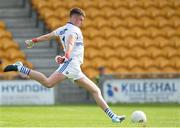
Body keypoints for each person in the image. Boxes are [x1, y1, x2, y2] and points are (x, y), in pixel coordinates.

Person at [4, 7, 125, 123]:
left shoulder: (62, 29)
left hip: (75, 68)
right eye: (81, 20)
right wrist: (66, 56)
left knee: (95, 91)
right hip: (71, 64)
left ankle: (113, 117)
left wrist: (33, 41)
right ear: (75, 18)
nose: (81, 23)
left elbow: (48, 36)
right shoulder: (75, 30)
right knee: (48, 83)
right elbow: (71, 43)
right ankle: (20, 67)